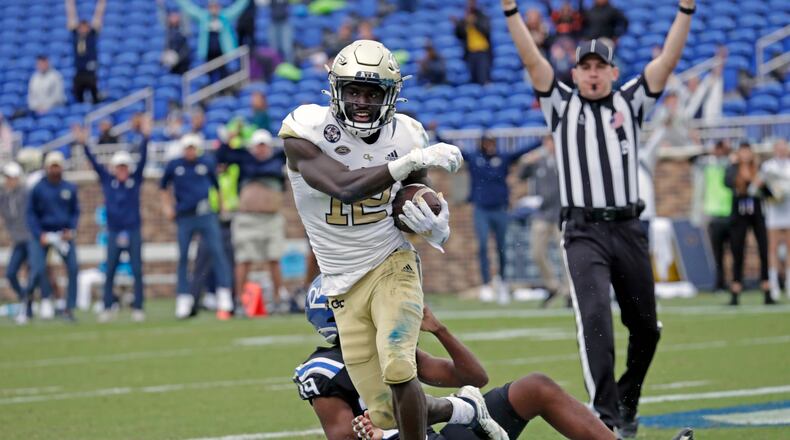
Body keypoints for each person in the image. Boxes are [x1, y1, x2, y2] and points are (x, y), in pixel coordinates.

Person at [278, 40, 502, 439]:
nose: (362, 101)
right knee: (384, 412)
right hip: (341, 281)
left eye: (373, 93)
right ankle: (463, 408)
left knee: (400, 367)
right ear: (336, 91)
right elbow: (343, 186)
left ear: (390, 95)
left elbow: (418, 199)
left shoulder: (407, 133)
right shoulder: (305, 129)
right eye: (354, 91)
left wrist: (435, 223)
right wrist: (411, 162)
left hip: (391, 264)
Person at [502, 0, 696, 435]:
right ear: (574, 73)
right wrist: (512, 12)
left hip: (628, 228)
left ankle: (627, 401)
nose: (591, 73)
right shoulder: (560, 105)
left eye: (599, 66)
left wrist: (685, 10)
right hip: (583, 230)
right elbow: (532, 59)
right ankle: (605, 418)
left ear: (612, 71)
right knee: (595, 319)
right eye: (584, 66)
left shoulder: (631, 102)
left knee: (646, 328)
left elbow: (667, 61)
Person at [297, 276, 694, 440]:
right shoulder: (326, 372)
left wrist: (439, 330)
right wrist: (371, 430)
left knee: (535, 387)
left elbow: (474, 376)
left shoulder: (394, 349)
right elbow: (341, 435)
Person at [74, 118, 150, 322]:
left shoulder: (134, 182)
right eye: (119, 167)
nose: (122, 170)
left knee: (136, 269)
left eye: (125, 166)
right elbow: (96, 165)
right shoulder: (108, 181)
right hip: (115, 231)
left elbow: (143, 158)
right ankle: (108, 306)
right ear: (115, 168)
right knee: (110, 270)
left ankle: (138, 306)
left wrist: (145, 137)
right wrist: (83, 144)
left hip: (132, 230)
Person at [160, 133, 234, 319]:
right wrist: (167, 207)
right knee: (184, 256)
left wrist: (222, 206)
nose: (190, 151)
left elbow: (216, 186)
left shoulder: (206, 163)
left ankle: (224, 295)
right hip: (184, 216)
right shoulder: (175, 165)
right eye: (187, 148)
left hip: (205, 213)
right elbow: (163, 186)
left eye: (193, 147)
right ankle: (183, 299)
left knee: (217, 252)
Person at [216, 129, 289, 313]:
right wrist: (228, 140)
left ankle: (279, 298)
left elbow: (298, 149)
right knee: (244, 259)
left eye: (264, 145)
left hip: (271, 218)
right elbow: (221, 157)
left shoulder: (278, 159)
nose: (261, 149)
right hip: (247, 218)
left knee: (274, 259)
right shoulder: (245, 159)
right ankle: (239, 300)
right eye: (258, 146)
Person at [462, 136, 539, 304]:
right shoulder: (475, 158)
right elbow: (456, 149)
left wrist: (540, 140)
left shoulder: (502, 158)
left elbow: (520, 152)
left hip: (500, 209)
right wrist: (436, 134)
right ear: (482, 144)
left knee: (501, 247)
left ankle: (502, 282)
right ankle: (486, 285)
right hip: (481, 210)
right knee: (482, 245)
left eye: (493, 143)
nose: (491, 146)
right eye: (487, 143)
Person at [27, 151, 80, 322]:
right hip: (43, 234)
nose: (55, 169)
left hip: (62, 235)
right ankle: (28, 304)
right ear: (47, 167)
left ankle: (68, 308)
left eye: (58, 166)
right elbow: (31, 214)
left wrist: (70, 229)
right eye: (52, 166)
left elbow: (75, 212)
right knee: (37, 269)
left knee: (72, 267)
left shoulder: (69, 188)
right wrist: (39, 234)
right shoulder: (38, 188)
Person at [519, 135, 569, 308]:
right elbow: (521, 175)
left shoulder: (565, 161)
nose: (550, 146)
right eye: (547, 142)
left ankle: (569, 292)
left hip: (561, 215)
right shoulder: (538, 162)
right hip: (542, 214)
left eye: (552, 142)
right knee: (536, 253)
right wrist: (526, 161)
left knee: (566, 256)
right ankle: (552, 286)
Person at [725, 142, 772, 306]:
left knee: (763, 250)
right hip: (739, 216)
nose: (745, 155)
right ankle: (735, 291)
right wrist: (732, 165)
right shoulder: (733, 168)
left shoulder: (758, 169)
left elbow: (768, 192)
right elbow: (727, 182)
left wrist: (761, 184)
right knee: (737, 251)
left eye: (747, 152)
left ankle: (767, 289)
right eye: (742, 152)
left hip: (757, 214)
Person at [690, 140, 733, 292]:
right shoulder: (709, 164)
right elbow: (693, 159)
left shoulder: (730, 163)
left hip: (730, 212)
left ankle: (735, 281)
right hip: (714, 213)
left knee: (734, 250)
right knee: (717, 252)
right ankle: (719, 282)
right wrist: (708, 151)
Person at [175, 0, 250, 83]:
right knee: (209, 74)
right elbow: (189, 9)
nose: (214, 9)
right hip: (208, 53)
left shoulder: (225, 17)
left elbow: (237, 8)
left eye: (216, 7)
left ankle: (223, 91)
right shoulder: (204, 18)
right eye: (211, 7)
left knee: (224, 73)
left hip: (223, 52)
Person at [1, 163, 33, 324]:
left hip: (30, 239)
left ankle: (30, 307)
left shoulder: (26, 193)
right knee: (11, 273)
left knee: (35, 274)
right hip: (18, 240)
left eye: (10, 177)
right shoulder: (4, 196)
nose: (7, 181)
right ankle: (25, 301)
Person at [762, 139, 790, 300]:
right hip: (774, 211)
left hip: (788, 210)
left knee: (788, 248)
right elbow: (760, 187)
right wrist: (771, 195)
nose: (781, 150)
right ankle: (773, 284)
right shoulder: (768, 166)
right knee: (772, 248)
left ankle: (788, 283)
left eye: (784, 147)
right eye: (778, 147)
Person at [65, 0, 106, 103]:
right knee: (77, 96)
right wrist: (70, 3)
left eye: (85, 27)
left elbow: (98, 16)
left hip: (90, 72)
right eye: (81, 27)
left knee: (94, 94)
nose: (83, 29)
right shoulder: (76, 36)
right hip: (79, 71)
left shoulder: (92, 35)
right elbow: (71, 16)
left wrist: (101, 3)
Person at [454, 0, 492, 84]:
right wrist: (457, 24)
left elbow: (486, 30)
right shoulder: (465, 19)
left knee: (483, 77)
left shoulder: (482, 17)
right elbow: (459, 35)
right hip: (470, 53)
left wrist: (475, 22)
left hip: (482, 52)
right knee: (473, 77)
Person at [158, 5, 192, 75]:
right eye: (172, 16)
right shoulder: (168, 30)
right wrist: (160, 6)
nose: (173, 18)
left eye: (175, 16)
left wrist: (178, 58)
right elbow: (161, 18)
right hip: (171, 62)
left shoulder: (183, 29)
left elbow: (185, 49)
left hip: (182, 61)